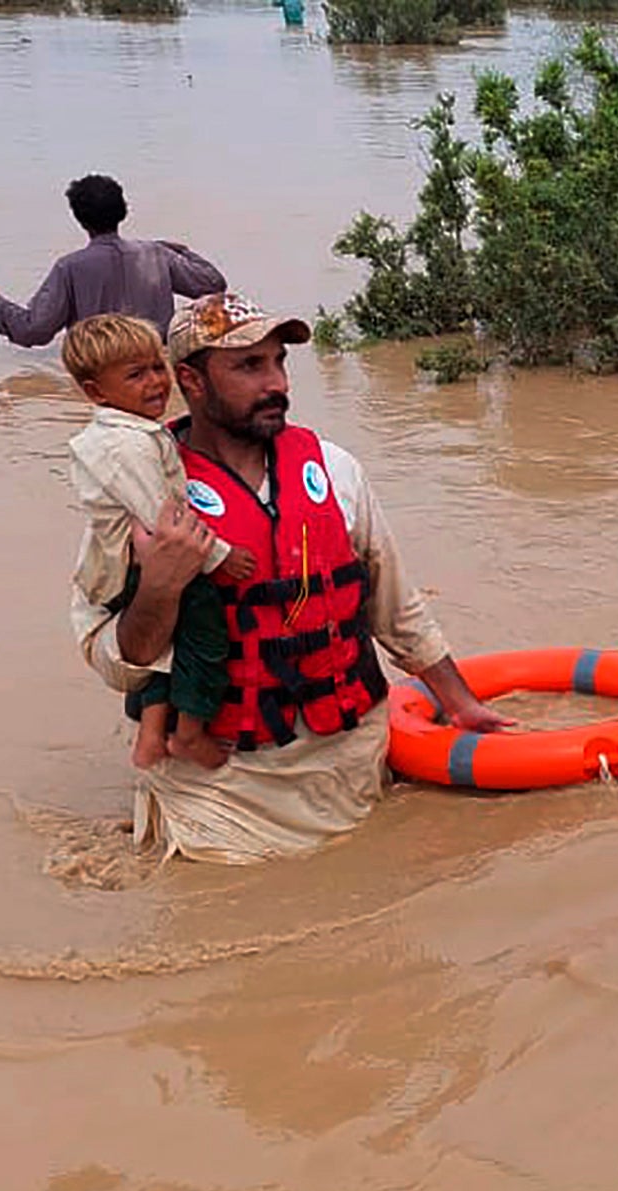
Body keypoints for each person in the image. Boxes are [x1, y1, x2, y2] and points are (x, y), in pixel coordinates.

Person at [69, 292, 511, 864]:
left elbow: (396, 611)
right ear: (191, 382)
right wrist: (160, 585)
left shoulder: (334, 469)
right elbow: (114, 660)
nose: (275, 383)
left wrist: (460, 704)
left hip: (351, 766)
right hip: (224, 794)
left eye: (279, 362)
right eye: (249, 366)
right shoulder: (141, 493)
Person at [61, 313, 254, 771]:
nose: (155, 382)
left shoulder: (131, 434)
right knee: (205, 629)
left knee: (167, 640)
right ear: (96, 393)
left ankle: (150, 737)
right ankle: (188, 733)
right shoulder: (123, 448)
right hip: (137, 564)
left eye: (157, 367)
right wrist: (222, 557)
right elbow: (163, 520)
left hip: (129, 563)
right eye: (135, 374)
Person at [0, 174, 226, 346]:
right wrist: (181, 251)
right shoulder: (157, 254)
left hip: (102, 371)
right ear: (124, 210)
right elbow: (212, 285)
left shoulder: (70, 268)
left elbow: (35, 330)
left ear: (79, 218)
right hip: (152, 364)